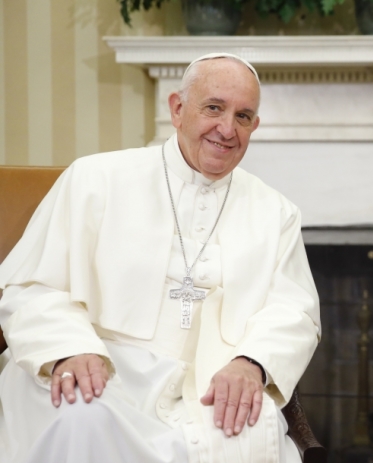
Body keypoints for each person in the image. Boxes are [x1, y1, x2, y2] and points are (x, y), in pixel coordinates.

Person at [0, 53, 321, 463]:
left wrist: (250, 363)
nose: (226, 129)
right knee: (80, 419)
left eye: (243, 116)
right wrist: (68, 348)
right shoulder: (95, 179)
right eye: (214, 108)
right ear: (177, 109)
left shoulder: (276, 212)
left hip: (207, 384)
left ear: (254, 127)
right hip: (98, 364)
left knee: (251, 430)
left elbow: (294, 312)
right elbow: (33, 286)